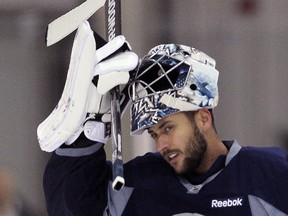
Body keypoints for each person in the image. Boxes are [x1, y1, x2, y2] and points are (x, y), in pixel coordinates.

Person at [38, 22, 288, 216]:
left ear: (203, 118)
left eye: (167, 128)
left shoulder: (269, 176)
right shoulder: (137, 183)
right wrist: (86, 136)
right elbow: (73, 208)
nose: (160, 146)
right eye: (154, 134)